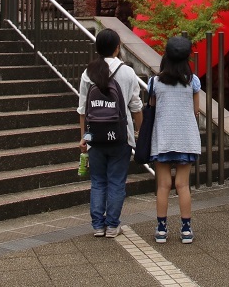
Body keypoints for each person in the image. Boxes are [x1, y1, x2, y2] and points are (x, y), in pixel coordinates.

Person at [77, 28, 142, 238]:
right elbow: (136, 107)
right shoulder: (127, 72)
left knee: (97, 181)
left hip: (95, 137)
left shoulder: (88, 72)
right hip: (121, 136)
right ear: (117, 48)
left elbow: (83, 110)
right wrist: (139, 132)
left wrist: (84, 137)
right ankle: (113, 226)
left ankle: (98, 225)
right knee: (116, 181)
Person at [148, 36, 202, 244]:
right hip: (186, 138)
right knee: (182, 185)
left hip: (162, 138)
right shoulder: (192, 81)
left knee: (163, 185)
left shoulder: (155, 82)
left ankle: (162, 229)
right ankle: (186, 229)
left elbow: (152, 108)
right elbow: (195, 111)